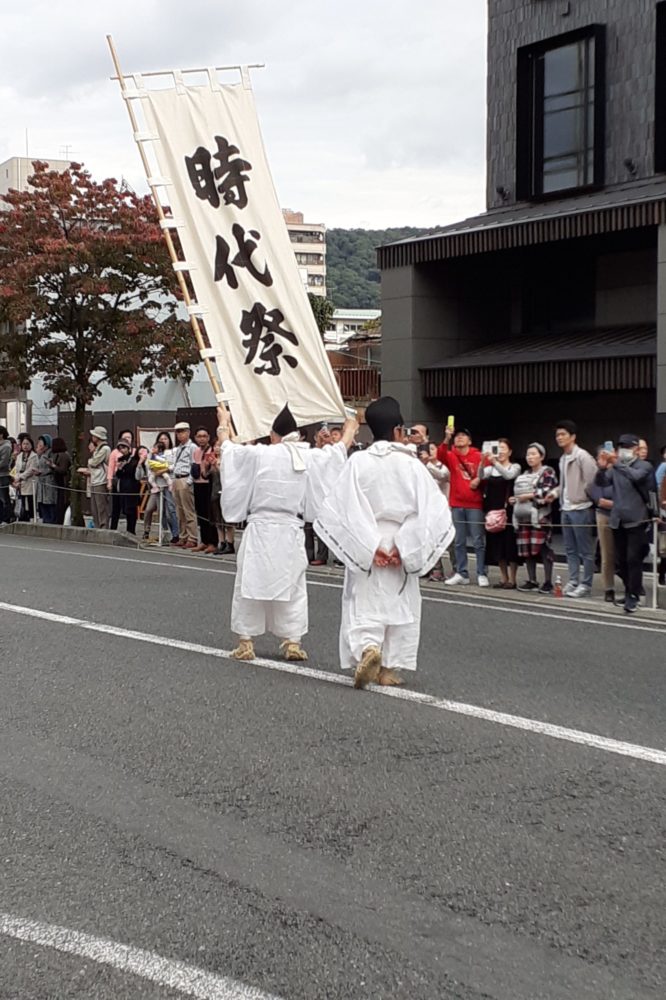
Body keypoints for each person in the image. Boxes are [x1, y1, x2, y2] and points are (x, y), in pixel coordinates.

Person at [315, 396, 454, 689]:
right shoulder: (411, 465)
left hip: (368, 542)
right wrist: (404, 547)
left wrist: (371, 545)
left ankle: (368, 648)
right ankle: (389, 668)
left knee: (363, 600)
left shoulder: (358, 462)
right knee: (400, 604)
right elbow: (431, 510)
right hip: (402, 542)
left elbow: (346, 508)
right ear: (397, 431)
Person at [219, 404, 357, 663]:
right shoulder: (309, 455)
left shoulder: (260, 454)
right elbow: (336, 454)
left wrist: (223, 423)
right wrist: (349, 428)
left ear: (273, 435)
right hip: (289, 528)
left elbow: (228, 452)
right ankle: (292, 642)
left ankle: (246, 641)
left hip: (261, 527)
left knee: (250, 583)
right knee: (292, 586)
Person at [596, 434, 655, 613]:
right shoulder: (615, 467)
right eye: (621, 447)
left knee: (633, 559)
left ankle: (634, 595)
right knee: (621, 560)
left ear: (636, 448)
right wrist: (602, 468)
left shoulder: (644, 465)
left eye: (628, 447)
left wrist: (616, 463)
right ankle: (629, 590)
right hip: (617, 519)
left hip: (637, 519)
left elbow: (636, 477)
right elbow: (601, 482)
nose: (624, 450)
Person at [546, 420, 597, 598]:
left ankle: (586, 584)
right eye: (557, 435)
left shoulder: (582, 456)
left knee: (585, 550)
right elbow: (564, 484)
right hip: (566, 508)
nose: (559, 438)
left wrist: (583, 496)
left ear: (573, 437)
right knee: (570, 549)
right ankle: (574, 580)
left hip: (581, 507)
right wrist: (554, 493)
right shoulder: (562, 458)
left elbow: (593, 481)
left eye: (563, 434)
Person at [437, 426, 488, 587]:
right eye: (457, 436)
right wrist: (447, 437)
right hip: (457, 503)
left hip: (475, 504)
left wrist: (479, 480)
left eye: (463, 436)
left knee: (478, 540)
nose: (459, 438)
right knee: (459, 540)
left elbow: (488, 474)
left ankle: (481, 572)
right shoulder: (452, 456)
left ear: (470, 441)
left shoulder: (479, 456)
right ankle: (462, 573)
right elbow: (439, 455)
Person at [511, 443, 557, 593]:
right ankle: (532, 580)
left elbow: (547, 491)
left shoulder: (548, 472)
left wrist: (528, 495)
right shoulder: (524, 474)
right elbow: (518, 492)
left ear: (542, 456)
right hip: (524, 516)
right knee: (528, 549)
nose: (530, 457)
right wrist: (515, 499)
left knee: (544, 548)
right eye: (528, 454)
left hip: (541, 515)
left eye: (533, 454)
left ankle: (548, 581)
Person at [480, 439, 521, 589]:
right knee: (497, 545)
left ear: (510, 451)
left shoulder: (515, 466)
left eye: (504, 448)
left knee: (509, 544)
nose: (501, 451)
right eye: (498, 448)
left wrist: (494, 462)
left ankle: (513, 578)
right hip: (493, 510)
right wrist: (483, 461)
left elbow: (508, 476)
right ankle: (503, 578)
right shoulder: (491, 469)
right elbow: (480, 475)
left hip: (508, 510)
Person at [587, 446, 618, 602]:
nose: (605, 458)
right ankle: (609, 588)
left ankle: (631, 585)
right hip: (604, 516)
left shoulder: (621, 472)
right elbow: (599, 500)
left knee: (627, 552)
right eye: (601, 456)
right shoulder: (599, 475)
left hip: (624, 516)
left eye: (609, 455)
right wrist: (617, 503)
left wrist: (616, 504)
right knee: (607, 553)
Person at [417, 442, 451, 582]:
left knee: (441, 540)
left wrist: (428, 464)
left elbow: (443, 476)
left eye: (432, 449)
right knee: (425, 539)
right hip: (425, 507)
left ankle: (445, 570)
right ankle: (429, 568)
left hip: (441, 507)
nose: (429, 452)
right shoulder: (420, 467)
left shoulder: (442, 467)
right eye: (426, 449)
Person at [305, 423, 333, 566]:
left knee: (322, 527)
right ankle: (308, 554)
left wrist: (327, 443)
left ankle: (322, 555)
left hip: (324, 494)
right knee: (308, 528)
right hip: (310, 493)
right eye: (319, 436)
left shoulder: (332, 453)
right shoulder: (310, 453)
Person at [168, 421, 198, 549]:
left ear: (188, 432)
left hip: (185, 478)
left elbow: (194, 465)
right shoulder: (178, 448)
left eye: (182, 431)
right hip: (176, 478)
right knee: (179, 511)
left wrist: (189, 481)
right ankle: (183, 536)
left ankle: (192, 537)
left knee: (188, 511)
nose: (180, 435)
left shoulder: (192, 447)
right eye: (178, 432)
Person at [78, 427, 111, 529]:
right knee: (94, 508)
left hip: (101, 481)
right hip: (94, 480)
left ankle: (103, 527)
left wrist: (90, 461)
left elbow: (94, 462)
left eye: (94, 435)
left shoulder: (105, 449)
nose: (92, 437)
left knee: (101, 507)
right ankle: (97, 526)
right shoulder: (98, 449)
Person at [191, 426, 217, 554]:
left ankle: (213, 542)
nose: (201, 439)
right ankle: (204, 540)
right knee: (200, 513)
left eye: (204, 436)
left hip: (209, 484)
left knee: (210, 514)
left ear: (208, 437)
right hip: (198, 484)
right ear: (195, 438)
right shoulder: (196, 451)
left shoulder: (212, 450)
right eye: (199, 436)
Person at [112, 439, 141, 534]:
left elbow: (132, 471)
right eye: (120, 448)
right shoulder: (120, 460)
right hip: (123, 486)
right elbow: (118, 474)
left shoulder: (134, 459)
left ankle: (131, 530)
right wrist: (120, 469)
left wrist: (124, 467)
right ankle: (126, 530)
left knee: (131, 509)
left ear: (128, 448)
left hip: (132, 486)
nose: (122, 450)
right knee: (124, 508)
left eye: (124, 447)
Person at [108, 429, 134, 530]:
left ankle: (130, 530)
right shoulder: (115, 452)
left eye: (129, 438)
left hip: (130, 484)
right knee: (116, 507)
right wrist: (109, 481)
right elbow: (110, 467)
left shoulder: (134, 452)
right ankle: (113, 528)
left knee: (129, 508)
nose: (127, 439)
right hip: (118, 482)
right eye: (125, 437)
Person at [12, 435, 39, 522]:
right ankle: (22, 518)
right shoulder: (19, 456)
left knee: (31, 501)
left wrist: (20, 477)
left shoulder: (34, 456)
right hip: (20, 483)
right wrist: (16, 479)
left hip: (30, 482)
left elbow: (31, 470)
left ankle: (32, 518)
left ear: (31, 445)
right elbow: (16, 468)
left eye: (27, 444)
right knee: (22, 501)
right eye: (23, 444)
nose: (25, 446)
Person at [34, 434, 57, 524]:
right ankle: (45, 520)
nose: (39, 446)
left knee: (49, 502)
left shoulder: (50, 453)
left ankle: (50, 521)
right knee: (42, 502)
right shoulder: (41, 454)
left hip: (49, 481)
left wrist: (41, 472)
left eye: (41, 444)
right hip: (41, 481)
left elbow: (50, 467)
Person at [49, 437, 71, 525]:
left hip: (63, 483)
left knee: (62, 503)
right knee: (59, 503)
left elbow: (63, 470)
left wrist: (53, 466)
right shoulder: (60, 455)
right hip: (60, 483)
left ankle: (60, 521)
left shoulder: (63, 456)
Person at [0, 425, 15, 523]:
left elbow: (3, 463)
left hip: (3, 475)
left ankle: (7, 517)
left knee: (4, 498)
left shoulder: (6, 446)